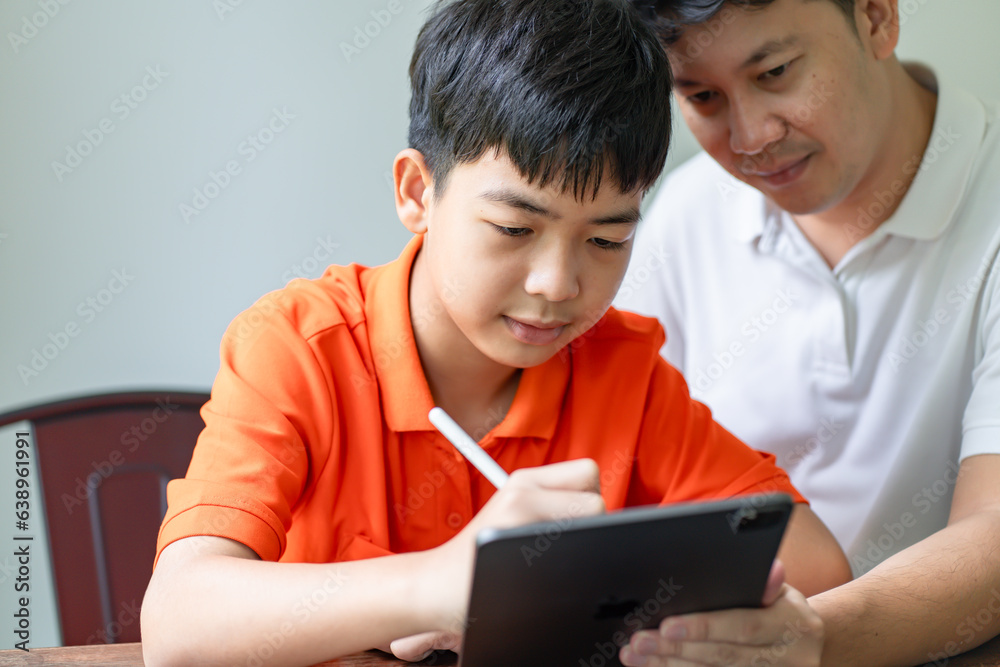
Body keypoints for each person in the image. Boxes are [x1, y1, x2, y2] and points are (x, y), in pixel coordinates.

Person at [138, 1, 852, 665]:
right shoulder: (300, 347)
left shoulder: (620, 371)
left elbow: (814, 561)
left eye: (606, 241)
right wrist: (437, 584)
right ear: (418, 193)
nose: (558, 284)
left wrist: (585, 579)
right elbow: (178, 620)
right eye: (515, 228)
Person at [616, 0, 1000, 664]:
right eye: (703, 96)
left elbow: (993, 535)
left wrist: (811, 639)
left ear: (877, 17)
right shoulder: (686, 215)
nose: (750, 137)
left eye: (776, 72)